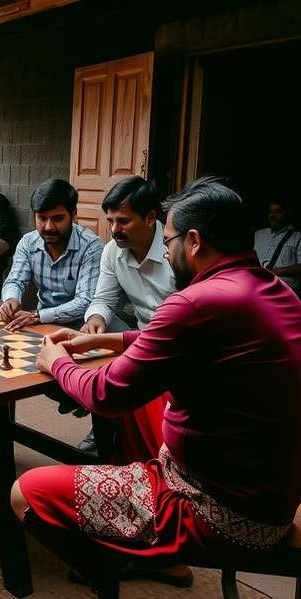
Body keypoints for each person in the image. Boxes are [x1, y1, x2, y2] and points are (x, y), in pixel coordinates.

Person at [12, 176, 301, 595]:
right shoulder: (276, 291)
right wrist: (108, 339)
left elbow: (104, 395)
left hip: (216, 513)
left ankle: (114, 563)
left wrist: (58, 361)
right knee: (146, 402)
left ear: (193, 242)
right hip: (275, 501)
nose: (166, 249)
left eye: (169, 239)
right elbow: (189, 343)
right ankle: (146, 541)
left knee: (24, 493)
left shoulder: (195, 301)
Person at [77, 177, 176, 460]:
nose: (114, 230)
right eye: (110, 221)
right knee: (83, 334)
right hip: (141, 334)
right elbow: (103, 300)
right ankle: (104, 429)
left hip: (175, 340)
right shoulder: (112, 252)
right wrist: (96, 318)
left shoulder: (175, 251)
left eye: (123, 221)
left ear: (150, 218)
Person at [0, 179, 103, 331]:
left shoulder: (91, 246)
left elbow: (85, 301)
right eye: (42, 218)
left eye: (58, 219)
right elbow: (14, 281)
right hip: (42, 323)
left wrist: (38, 316)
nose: (49, 227)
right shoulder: (28, 242)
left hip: (82, 326)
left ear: (73, 215)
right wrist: (10, 299)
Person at [254, 199, 301, 291]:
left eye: (278, 212)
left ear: (286, 213)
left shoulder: (299, 237)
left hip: (284, 289)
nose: (273, 215)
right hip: (259, 287)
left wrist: (273, 272)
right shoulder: (259, 234)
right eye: (270, 212)